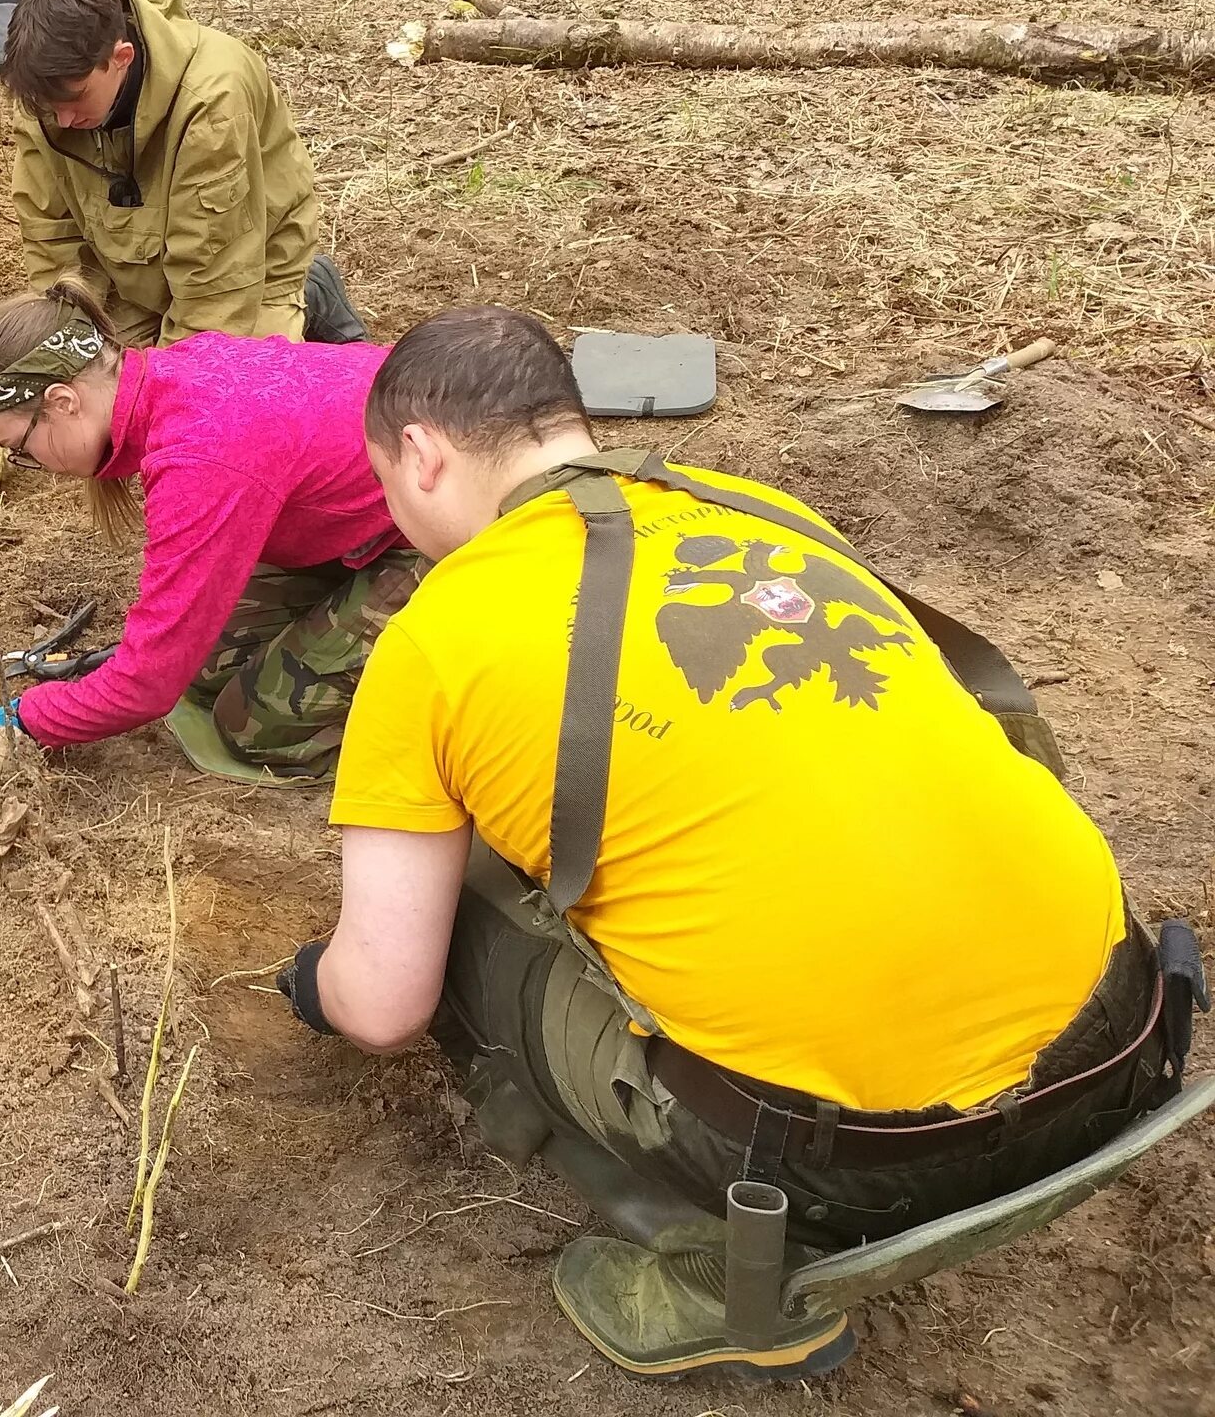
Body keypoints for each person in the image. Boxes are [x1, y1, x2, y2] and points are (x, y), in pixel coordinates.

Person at [279, 306, 1193, 1380]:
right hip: (1126, 1040)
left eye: (387, 483)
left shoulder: (437, 634)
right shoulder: (762, 513)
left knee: (471, 887)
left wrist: (319, 987)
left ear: (422, 455)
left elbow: (383, 1005)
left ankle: (726, 1278)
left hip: (867, 1164)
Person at [0, 280, 426, 779]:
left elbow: (147, 685)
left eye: (21, 447)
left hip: (449, 532)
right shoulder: (174, 373)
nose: (30, 462)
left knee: (260, 727)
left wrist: (25, 719)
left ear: (63, 401)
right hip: (366, 517)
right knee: (207, 666)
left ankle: (461, 718)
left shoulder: (198, 455)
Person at [0, 0, 365, 349]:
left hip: (248, 267)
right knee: (100, 389)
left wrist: (171, 384)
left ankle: (311, 289)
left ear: (122, 57)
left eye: (76, 100)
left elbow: (215, 287)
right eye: (49, 107)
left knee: (229, 399)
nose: (63, 120)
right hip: (133, 275)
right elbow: (52, 240)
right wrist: (73, 347)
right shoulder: (45, 95)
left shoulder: (212, 103)